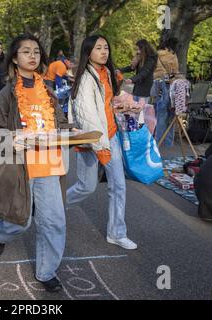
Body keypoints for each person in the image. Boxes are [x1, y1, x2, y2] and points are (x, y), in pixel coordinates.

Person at [0, 33, 74, 292]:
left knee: (54, 222)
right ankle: (0, 233)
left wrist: (77, 132)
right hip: (19, 168)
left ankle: (46, 272)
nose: (33, 56)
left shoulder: (48, 91)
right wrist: (12, 138)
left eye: (36, 51)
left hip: (50, 165)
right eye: (26, 51)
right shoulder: (7, 93)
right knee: (18, 222)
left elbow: (61, 124)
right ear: (14, 58)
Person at [66, 35, 137, 250]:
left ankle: (117, 232)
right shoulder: (85, 79)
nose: (104, 52)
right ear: (89, 52)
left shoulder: (107, 73)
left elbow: (106, 104)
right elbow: (88, 117)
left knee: (118, 185)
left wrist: (121, 106)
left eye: (106, 47)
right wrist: (102, 147)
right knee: (86, 187)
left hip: (111, 134)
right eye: (98, 48)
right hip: (92, 138)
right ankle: (52, 207)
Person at [152, 37, 180, 146]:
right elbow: (175, 72)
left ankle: (158, 140)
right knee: (170, 115)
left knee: (159, 114)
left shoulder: (155, 54)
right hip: (168, 85)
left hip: (156, 85)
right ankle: (168, 142)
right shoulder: (172, 56)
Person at [120, 39, 157, 103]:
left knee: (141, 109)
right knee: (134, 107)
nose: (138, 51)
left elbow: (144, 73)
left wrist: (132, 79)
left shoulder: (150, 59)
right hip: (137, 87)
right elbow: (131, 67)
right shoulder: (140, 56)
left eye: (139, 49)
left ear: (144, 49)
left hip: (145, 88)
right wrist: (120, 70)